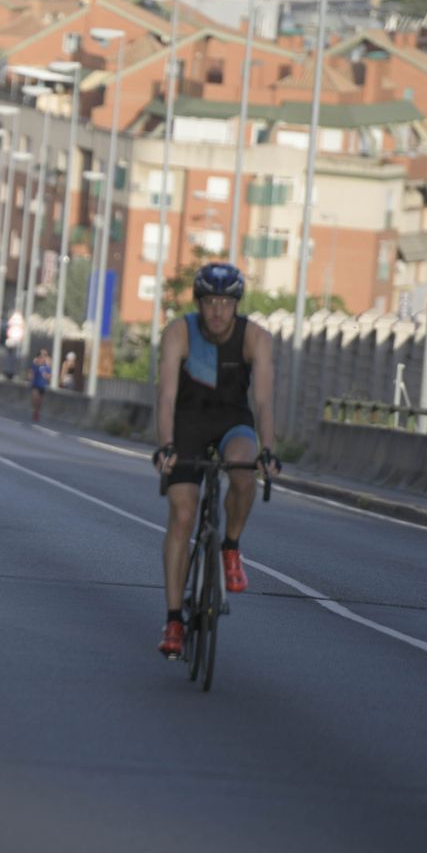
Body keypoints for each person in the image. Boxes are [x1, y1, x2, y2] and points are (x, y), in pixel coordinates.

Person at [151, 262, 280, 659]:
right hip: (188, 424)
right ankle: (174, 620)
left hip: (232, 423)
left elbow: (262, 400)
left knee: (243, 475)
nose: (219, 311)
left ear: (237, 304)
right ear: (199, 303)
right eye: (210, 303)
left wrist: (268, 449)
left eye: (227, 302)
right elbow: (167, 396)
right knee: (183, 513)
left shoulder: (254, 337)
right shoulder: (179, 333)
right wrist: (167, 445)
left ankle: (231, 547)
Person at [29, 348, 52, 422]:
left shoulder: (47, 366)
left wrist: (47, 376)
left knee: (39, 402)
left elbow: (49, 377)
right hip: (35, 385)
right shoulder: (34, 365)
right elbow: (31, 373)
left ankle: (37, 412)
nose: (43, 358)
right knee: (35, 399)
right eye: (42, 356)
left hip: (42, 386)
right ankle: (35, 411)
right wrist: (30, 377)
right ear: (38, 357)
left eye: (45, 356)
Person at [3, 310, 25, 379]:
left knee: (11, 357)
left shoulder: (14, 319)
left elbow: (9, 326)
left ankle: (10, 372)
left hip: (13, 340)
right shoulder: (20, 319)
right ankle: (11, 372)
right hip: (16, 340)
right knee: (13, 357)